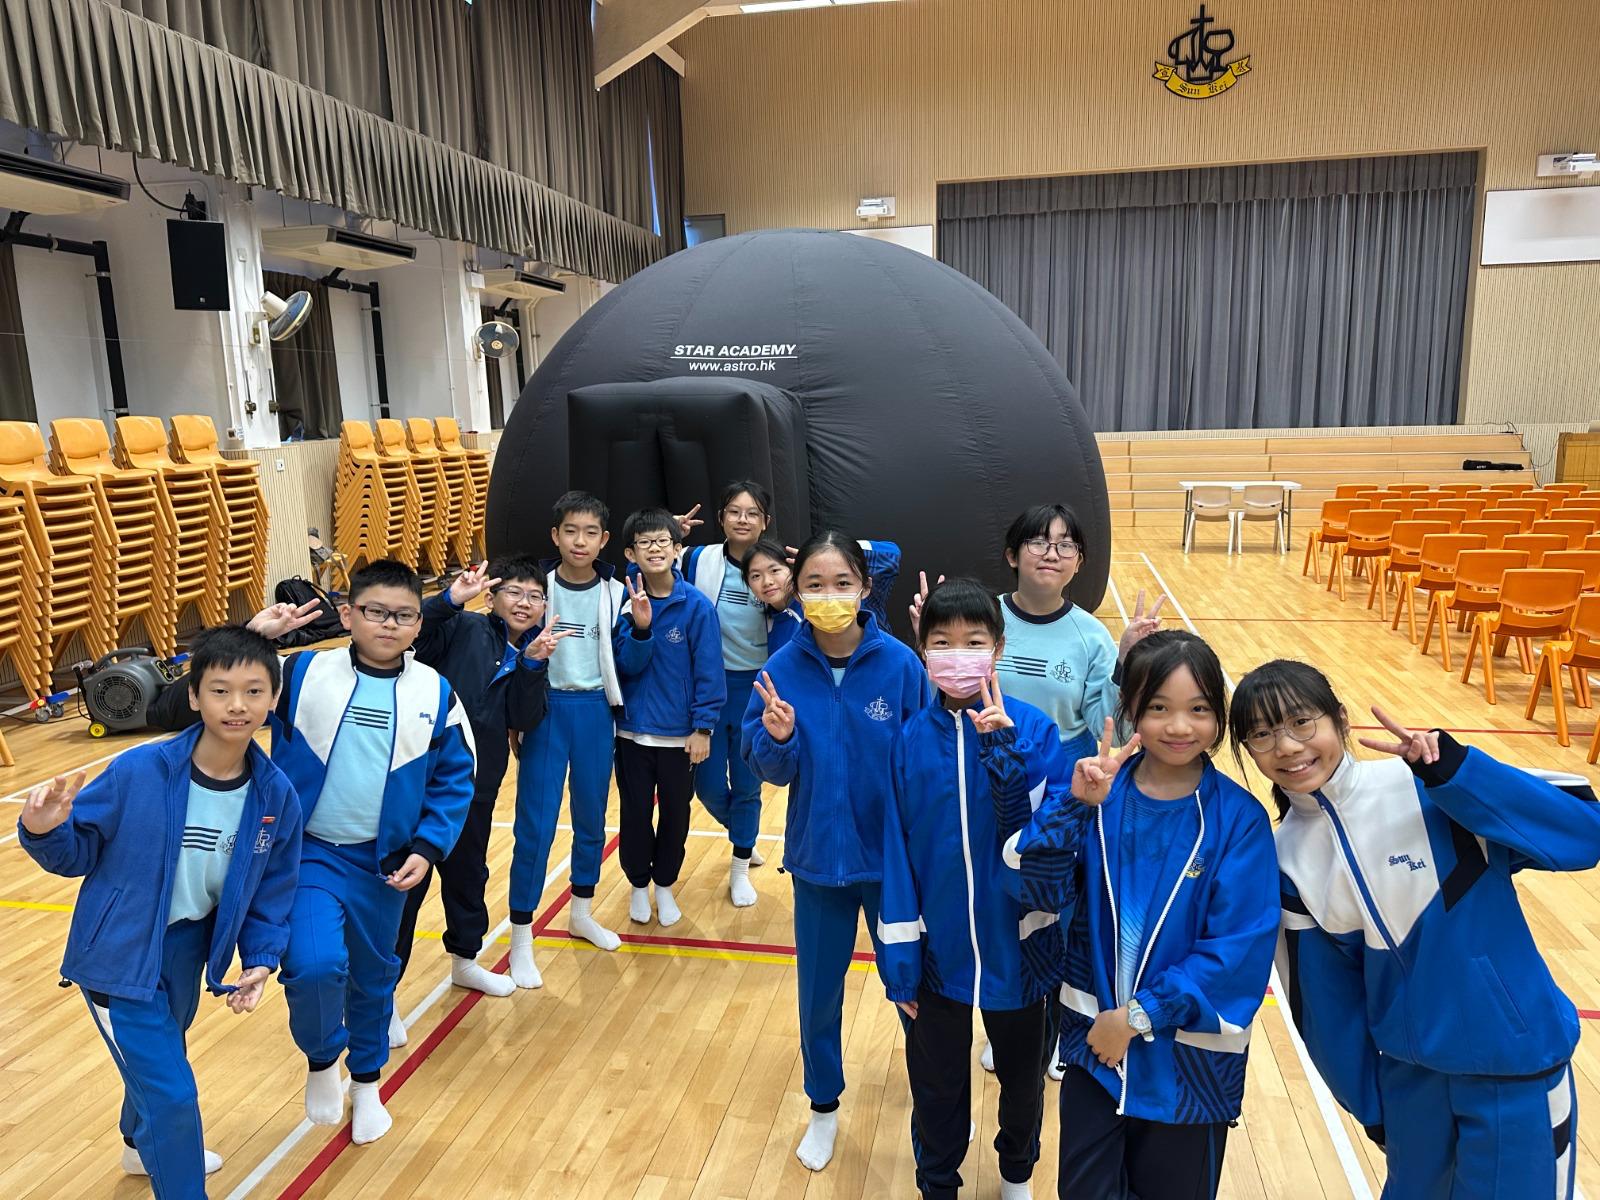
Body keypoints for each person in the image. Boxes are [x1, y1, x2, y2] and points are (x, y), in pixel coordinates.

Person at [1231, 659, 1600, 1198]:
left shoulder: (1432, 786)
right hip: (1410, 1092)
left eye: (1301, 722)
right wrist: (1375, 1109)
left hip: (1515, 1071)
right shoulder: (1286, 859)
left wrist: (1459, 773)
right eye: (1262, 735)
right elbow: (1324, 1007)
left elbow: (1584, 832)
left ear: (1340, 719)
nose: (1286, 746)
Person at [18, 625, 303, 1199]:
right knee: (173, 1094)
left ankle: (134, 1142)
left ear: (273, 699)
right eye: (220, 691)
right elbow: (76, 852)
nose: (237, 705)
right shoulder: (137, 772)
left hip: (187, 951)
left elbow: (271, 888)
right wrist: (44, 829)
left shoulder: (275, 795)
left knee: (160, 1058)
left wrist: (261, 957)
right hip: (119, 958)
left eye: (253, 691)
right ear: (194, 696)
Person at [1017, 630, 1277, 1199]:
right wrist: (1073, 808)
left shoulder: (1239, 820)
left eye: (1198, 709)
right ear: (1131, 708)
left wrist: (1136, 1017)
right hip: (1093, 1051)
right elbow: (1038, 892)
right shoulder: (1098, 795)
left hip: (1188, 1069)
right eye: (1159, 708)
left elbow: (1238, 952)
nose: (1179, 726)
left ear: (1219, 716)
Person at [913, 502, 1163, 1076]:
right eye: (1038, 541)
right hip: (978, 781)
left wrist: (1125, 660)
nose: (1052, 553)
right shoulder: (982, 616)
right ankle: (1001, 1014)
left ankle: (1042, 1028)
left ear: (1079, 562)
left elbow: (1107, 723)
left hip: (1056, 791)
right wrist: (929, 634)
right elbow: (944, 689)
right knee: (989, 904)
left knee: (1050, 915)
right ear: (1012, 554)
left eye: (1066, 544)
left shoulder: (1091, 635)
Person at [878, 579, 1076, 1200]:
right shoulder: (908, 741)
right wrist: (901, 963)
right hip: (938, 956)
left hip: (1020, 952)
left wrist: (1006, 753)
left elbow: (1046, 846)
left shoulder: (1036, 732)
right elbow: (897, 858)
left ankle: (1017, 1173)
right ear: (922, 649)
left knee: (1022, 1083)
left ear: (998, 647)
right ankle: (938, 1183)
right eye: (942, 641)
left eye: (973, 641)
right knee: (935, 1088)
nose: (957, 654)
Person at [742, 531, 931, 1172]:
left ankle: (934, 1100)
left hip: (893, 868)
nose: (829, 595)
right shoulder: (781, 669)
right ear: (797, 593)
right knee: (818, 996)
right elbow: (770, 769)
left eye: (842, 583)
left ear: (865, 587)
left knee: (912, 989)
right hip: (818, 863)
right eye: (815, 585)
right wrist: (778, 740)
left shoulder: (901, 666)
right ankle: (823, 1107)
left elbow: (926, 758)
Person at [272, 559, 476, 1144]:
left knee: (372, 977)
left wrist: (429, 847)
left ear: (419, 624)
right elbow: (219, 686)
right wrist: (256, 636)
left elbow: (456, 777)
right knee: (313, 966)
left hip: (383, 865)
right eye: (376, 612)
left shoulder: (435, 692)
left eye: (404, 615)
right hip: (312, 856)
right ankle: (321, 1058)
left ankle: (366, 1085)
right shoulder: (301, 673)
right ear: (348, 615)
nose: (389, 624)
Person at [388, 556, 566, 1036]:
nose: (525, 603)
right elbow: (416, 635)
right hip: (421, 782)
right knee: (406, 889)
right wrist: (449, 599)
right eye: (514, 592)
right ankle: (382, 995)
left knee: (468, 876)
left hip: (477, 786)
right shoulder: (462, 628)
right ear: (492, 597)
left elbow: (525, 719)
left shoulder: (533, 649)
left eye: (535, 596)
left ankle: (465, 961)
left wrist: (532, 666)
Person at [508, 491, 653, 987]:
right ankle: (521, 939)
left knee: (591, 821)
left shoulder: (615, 591)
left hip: (594, 712)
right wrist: (517, 713)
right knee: (535, 827)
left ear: (604, 539)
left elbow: (628, 665)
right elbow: (511, 649)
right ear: (555, 535)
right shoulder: (537, 587)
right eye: (570, 530)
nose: (580, 541)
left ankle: (582, 913)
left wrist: (641, 631)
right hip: (547, 711)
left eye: (591, 532)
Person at [615, 507, 725, 926]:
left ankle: (664, 884)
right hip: (632, 734)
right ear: (631, 553)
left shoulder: (696, 606)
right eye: (645, 543)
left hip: (680, 737)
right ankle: (638, 885)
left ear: (678, 549)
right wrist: (642, 628)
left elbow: (709, 670)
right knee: (635, 814)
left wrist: (703, 727)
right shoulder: (626, 601)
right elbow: (626, 664)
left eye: (663, 541)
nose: (655, 549)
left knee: (676, 816)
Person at [680, 483, 778, 907]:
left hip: (757, 688)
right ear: (721, 518)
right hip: (709, 688)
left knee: (748, 784)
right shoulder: (697, 559)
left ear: (765, 522)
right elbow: (643, 572)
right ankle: (744, 833)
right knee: (706, 786)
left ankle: (740, 865)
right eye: (734, 511)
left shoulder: (776, 567)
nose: (742, 519)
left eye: (752, 513)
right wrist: (671, 534)